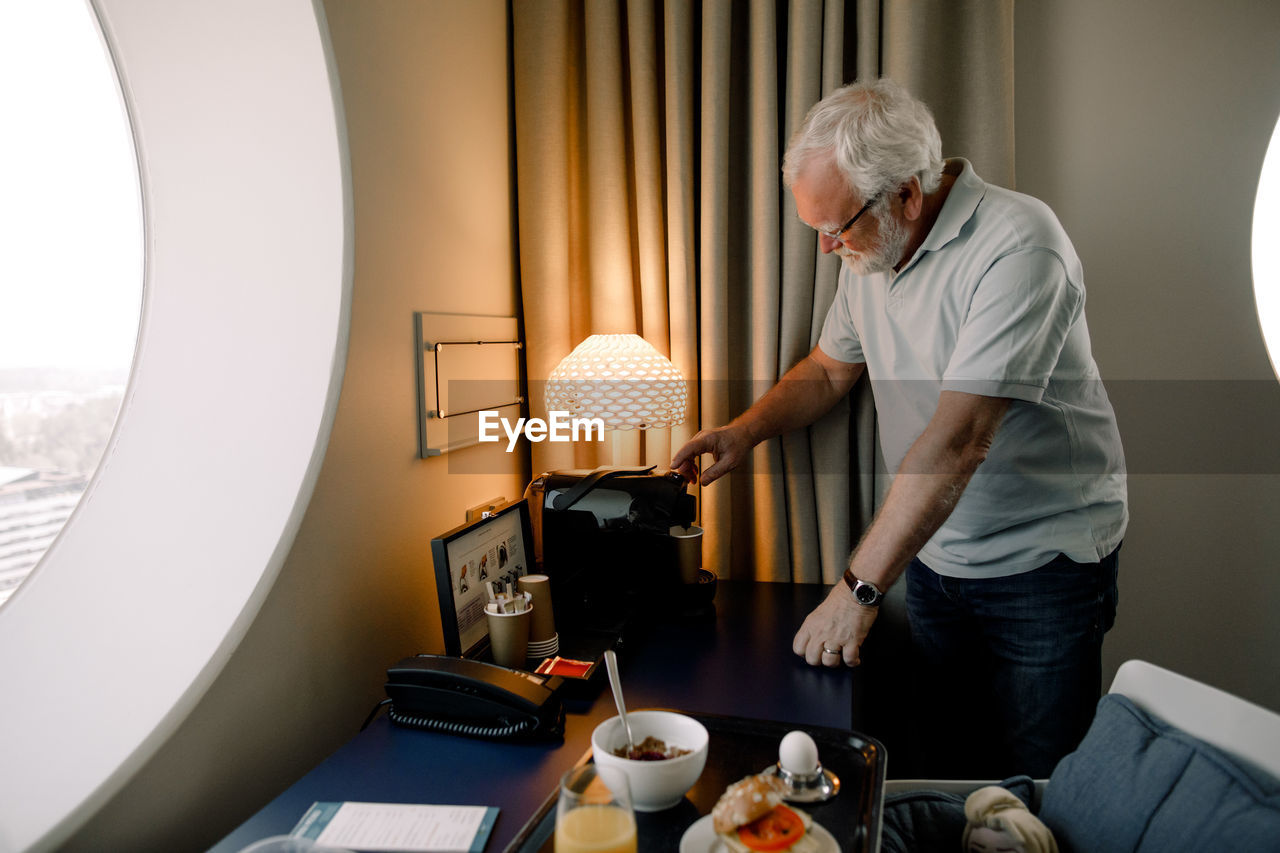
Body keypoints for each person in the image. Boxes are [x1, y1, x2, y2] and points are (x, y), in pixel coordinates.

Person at [670, 78, 1127, 778]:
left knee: (1040, 787)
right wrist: (745, 431)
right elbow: (828, 371)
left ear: (908, 195)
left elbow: (959, 438)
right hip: (936, 556)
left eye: (835, 228)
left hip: (1045, 565)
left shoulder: (1020, 246)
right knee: (949, 766)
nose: (825, 249)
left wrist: (856, 589)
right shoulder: (869, 251)